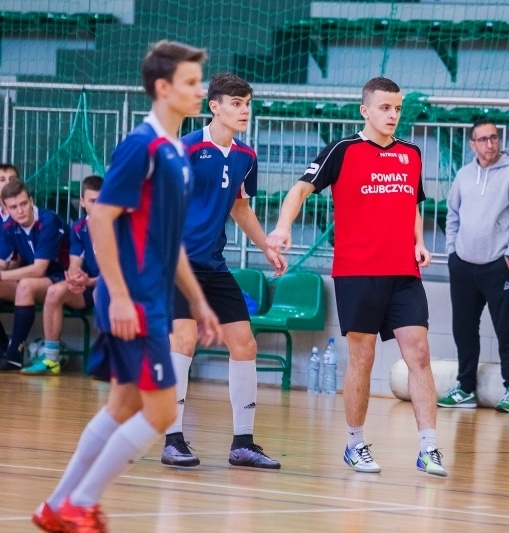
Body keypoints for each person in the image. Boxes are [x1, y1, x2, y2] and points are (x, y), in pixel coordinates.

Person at [31, 40, 221, 533]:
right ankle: (82, 503)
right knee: (159, 412)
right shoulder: (141, 146)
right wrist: (115, 294)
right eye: (191, 83)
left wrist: (198, 301)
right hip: (133, 300)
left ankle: (55, 505)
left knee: (123, 406)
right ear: (163, 88)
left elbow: (170, 239)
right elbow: (100, 221)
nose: (200, 91)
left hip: (153, 298)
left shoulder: (177, 151)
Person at [267, 77, 447, 477]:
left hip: (403, 271)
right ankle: (354, 443)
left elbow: (414, 203)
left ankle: (429, 447)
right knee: (362, 359)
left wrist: (419, 241)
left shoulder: (411, 154)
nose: (393, 115)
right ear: (365, 110)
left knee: (419, 353)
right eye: (385, 108)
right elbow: (299, 190)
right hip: (357, 271)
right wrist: (282, 227)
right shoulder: (342, 150)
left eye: (398, 108)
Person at [160, 73, 287, 470]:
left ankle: (243, 443)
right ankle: (172, 439)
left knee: (244, 343)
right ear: (214, 106)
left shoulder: (246, 156)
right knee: (184, 340)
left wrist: (266, 244)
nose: (244, 110)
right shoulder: (186, 149)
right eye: (235, 103)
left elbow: (240, 207)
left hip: (213, 264)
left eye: (247, 103)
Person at [436, 118, 509, 413]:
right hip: (463, 265)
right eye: (484, 139)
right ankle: (465, 388)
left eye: (494, 138)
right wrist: (452, 251)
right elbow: (451, 215)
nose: (490, 144)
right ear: (472, 144)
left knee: (506, 329)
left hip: (497, 265)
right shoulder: (464, 175)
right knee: (463, 329)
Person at [21, 176, 103, 375]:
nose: (99, 206)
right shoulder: (78, 227)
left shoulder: (119, 227)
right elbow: (75, 264)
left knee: (101, 293)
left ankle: (106, 360)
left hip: (112, 285)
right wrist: (75, 279)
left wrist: (89, 281)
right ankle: (51, 359)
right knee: (54, 292)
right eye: (93, 201)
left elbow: (119, 274)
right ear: (82, 202)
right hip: (87, 284)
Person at [0, 180, 68, 371]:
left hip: (63, 277)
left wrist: (3, 276)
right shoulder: (8, 228)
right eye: (13, 207)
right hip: (40, 280)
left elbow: (39, 269)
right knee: (23, 285)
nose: (20, 210)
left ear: (31, 201)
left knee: (25, 285)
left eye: (23, 204)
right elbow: (2, 262)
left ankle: (14, 355)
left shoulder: (48, 221)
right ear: (6, 209)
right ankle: (4, 347)